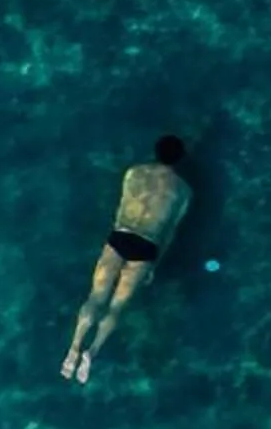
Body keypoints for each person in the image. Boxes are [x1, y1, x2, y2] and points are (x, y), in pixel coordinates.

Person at [62, 136, 195, 383]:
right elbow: (170, 232)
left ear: (156, 151)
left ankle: (74, 348)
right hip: (147, 245)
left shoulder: (134, 172)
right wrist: (154, 264)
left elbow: (122, 207)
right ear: (180, 158)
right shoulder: (184, 191)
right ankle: (92, 351)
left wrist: (112, 241)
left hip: (120, 236)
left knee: (95, 297)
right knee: (117, 306)